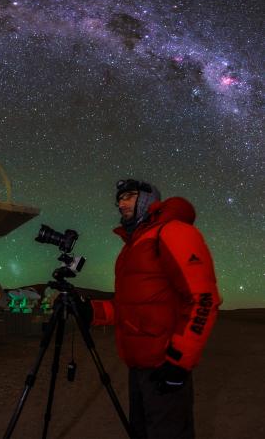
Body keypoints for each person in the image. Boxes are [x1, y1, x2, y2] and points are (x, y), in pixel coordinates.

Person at [86, 179, 221, 439]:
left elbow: (204, 299)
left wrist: (179, 362)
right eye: (119, 199)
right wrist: (91, 312)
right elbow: (129, 306)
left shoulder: (173, 232)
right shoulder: (131, 248)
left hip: (164, 364)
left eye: (129, 196)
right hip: (138, 367)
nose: (121, 203)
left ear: (149, 199)